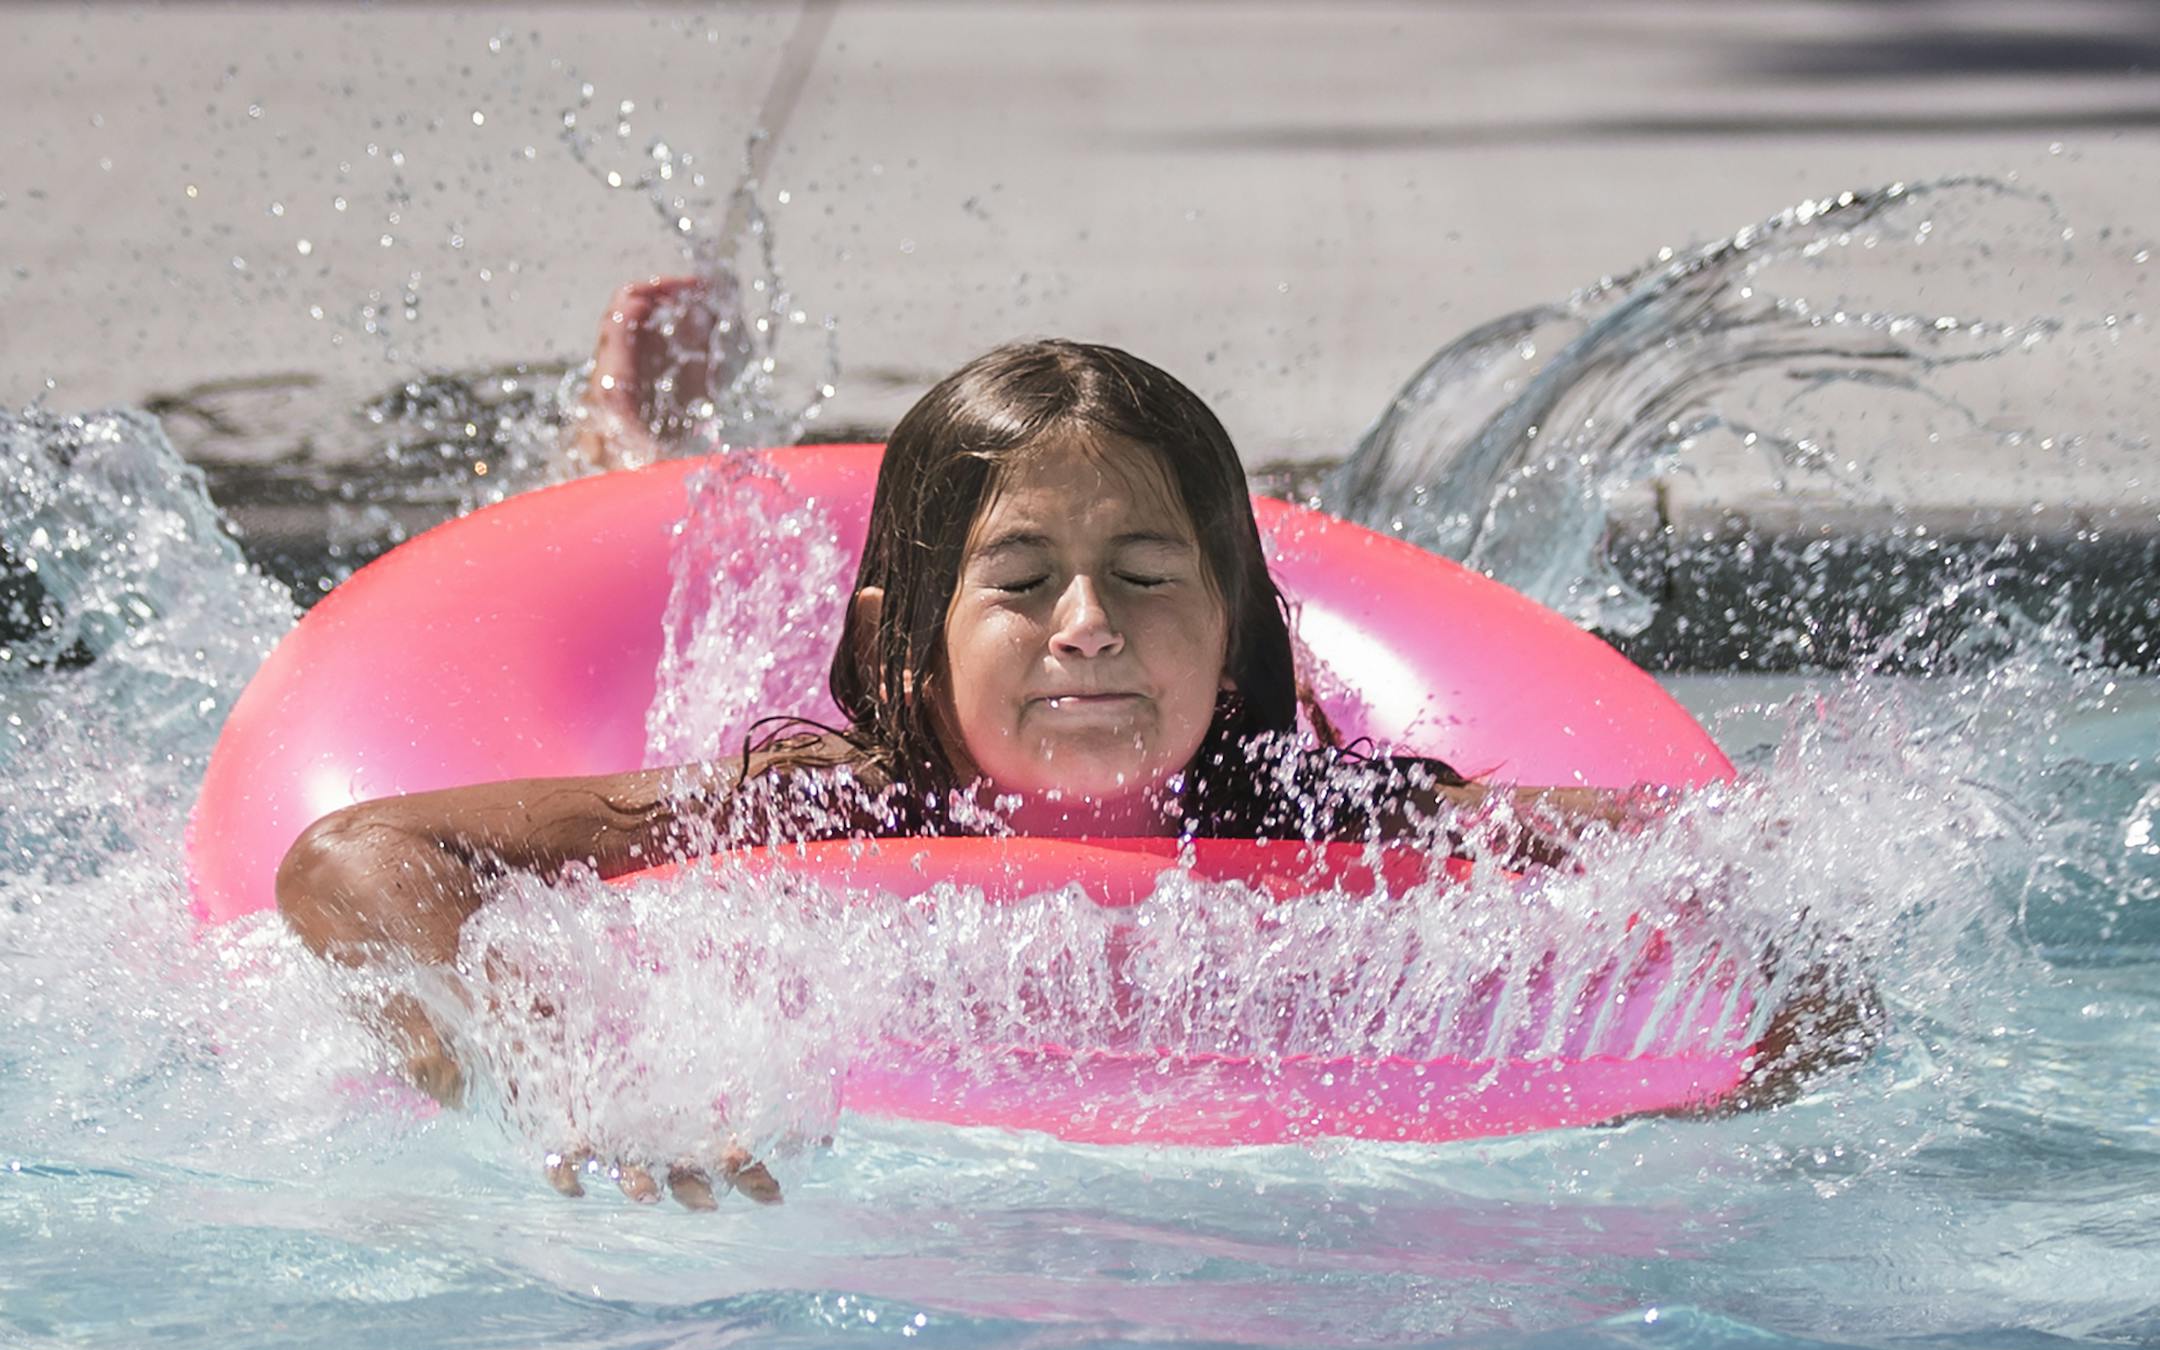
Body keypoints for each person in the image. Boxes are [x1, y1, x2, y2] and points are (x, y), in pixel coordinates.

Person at [277, 280, 1868, 1209]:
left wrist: (1756, 1083)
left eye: (1150, 577)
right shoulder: (813, 810)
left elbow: (1759, 857)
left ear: (1238, 626)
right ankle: (629, 461)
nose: (1089, 626)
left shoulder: (1331, 819)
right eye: (1024, 585)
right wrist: (564, 1070)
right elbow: (357, 857)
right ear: (914, 632)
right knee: (666, 560)